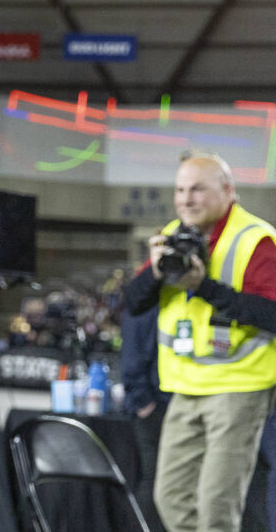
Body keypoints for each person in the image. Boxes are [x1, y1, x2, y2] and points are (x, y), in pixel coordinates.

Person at [124, 150, 276, 532]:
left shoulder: (256, 240)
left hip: (239, 387)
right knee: (171, 498)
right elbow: (133, 303)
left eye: (197, 190)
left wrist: (203, 286)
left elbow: (272, 314)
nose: (185, 199)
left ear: (229, 191)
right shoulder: (175, 235)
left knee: (215, 508)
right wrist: (155, 272)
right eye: (179, 190)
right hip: (184, 388)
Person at [119, 302, 169, 531]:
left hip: (161, 402)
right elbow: (132, 359)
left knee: (160, 480)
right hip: (154, 406)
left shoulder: (152, 301)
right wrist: (144, 402)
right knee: (155, 480)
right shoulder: (143, 303)